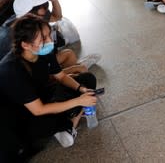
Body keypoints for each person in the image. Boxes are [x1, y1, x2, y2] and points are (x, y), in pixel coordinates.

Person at [0, 14, 97, 157]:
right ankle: (71, 121)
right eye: (43, 39)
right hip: (23, 115)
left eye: (49, 35)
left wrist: (80, 89)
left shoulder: (43, 50)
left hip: (42, 96)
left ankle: (68, 122)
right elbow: (38, 110)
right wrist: (79, 101)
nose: (50, 41)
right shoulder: (12, 69)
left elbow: (61, 77)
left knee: (88, 79)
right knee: (45, 123)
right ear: (25, 45)